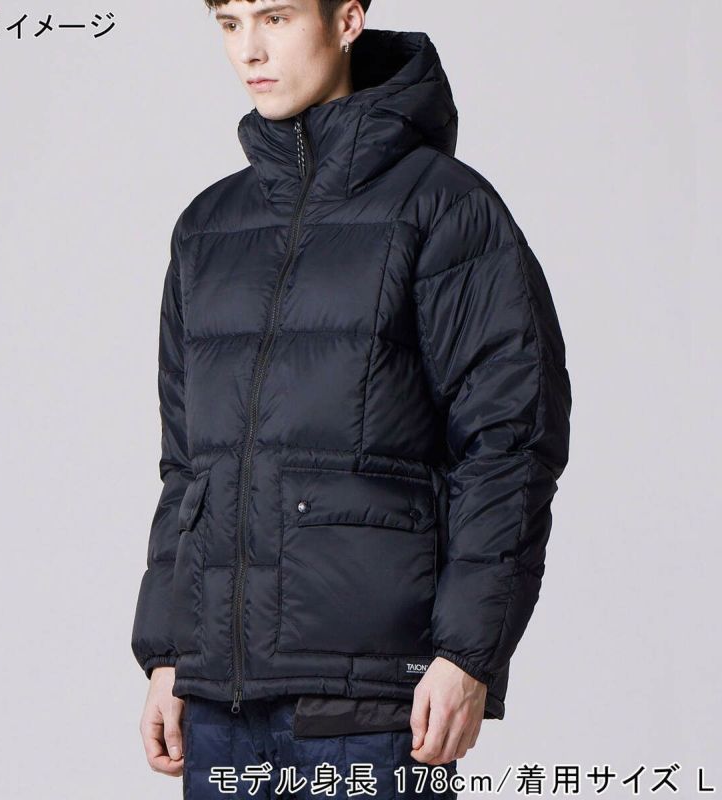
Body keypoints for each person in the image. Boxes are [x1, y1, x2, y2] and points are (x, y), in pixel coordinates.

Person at [131, 1, 572, 797]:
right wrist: (170, 654)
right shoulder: (206, 228)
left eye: (275, 17)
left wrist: (468, 653)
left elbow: (509, 441)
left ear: (346, 21)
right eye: (229, 23)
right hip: (221, 701)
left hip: (374, 703)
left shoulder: (444, 207)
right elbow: (187, 466)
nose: (250, 50)